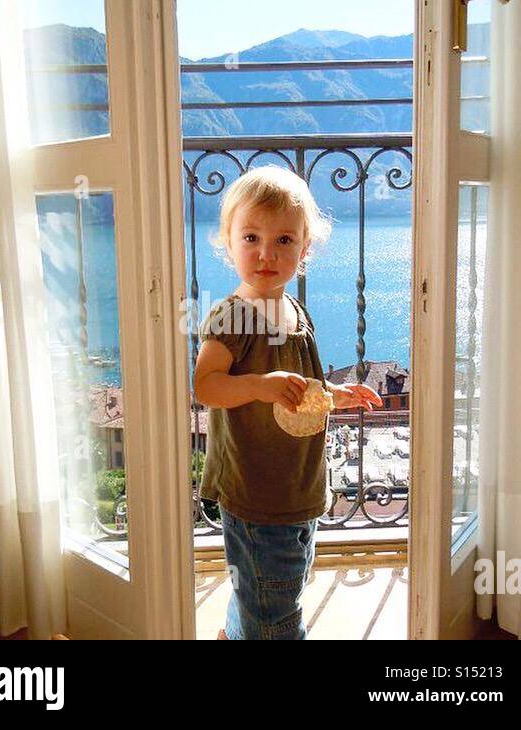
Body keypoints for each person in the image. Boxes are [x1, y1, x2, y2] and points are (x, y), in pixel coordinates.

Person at [194, 166, 382, 640]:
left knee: (272, 590)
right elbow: (206, 386)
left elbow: (301, 391)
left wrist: (334, 396)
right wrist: (260, 384)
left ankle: (235, 633)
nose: (265, 253)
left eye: (283, 240)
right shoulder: (232, 317)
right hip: (258, 496)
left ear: (305, 250)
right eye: (252, 237)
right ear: (228, 241)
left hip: (299, 488)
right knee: (277, 616)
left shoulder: (296, 314)